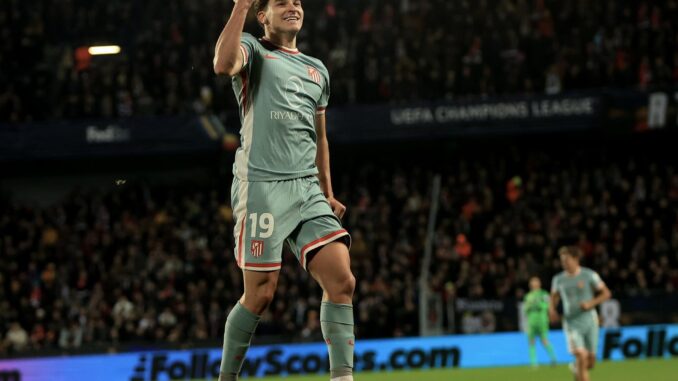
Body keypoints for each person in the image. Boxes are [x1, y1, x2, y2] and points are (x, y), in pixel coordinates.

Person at [213, 1, 355, 380]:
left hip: (307, 188)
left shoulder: (317, 70)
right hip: (261, 187)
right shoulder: (253, 50)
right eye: (281, 3)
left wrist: (327, 191)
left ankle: (343, 376)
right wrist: (241, 6)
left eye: (297, 2)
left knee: (342, 280)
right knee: (260, 293)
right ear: (264, 16)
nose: (293, 6)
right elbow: (223, 65)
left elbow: (319, 136)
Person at [550, 247, 611, 381]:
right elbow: (554, 296)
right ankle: (579, 366)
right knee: (581, 356)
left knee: (590, 362)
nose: (564, 263)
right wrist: (552, 310)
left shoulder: (589, 275)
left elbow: (606, 293)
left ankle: (575, 367)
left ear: (576, 259)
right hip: (571, 322)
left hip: (590, 320)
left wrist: (591, 303)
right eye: (562, 261)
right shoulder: (558, 279)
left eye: (567, 260)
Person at [522, 276, 557, 367]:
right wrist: (528, 307)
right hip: (531, 321)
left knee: (544, 340)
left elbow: (548, 305)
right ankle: (533, 363)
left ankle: (553, 359)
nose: (534, 284)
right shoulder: (528, 296)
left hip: (542, 320)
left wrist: (540, 305)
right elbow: (525, 309)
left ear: (539, 283)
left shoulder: (544, 294)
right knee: (531, 341)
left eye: (536, 282)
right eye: (533, 282)